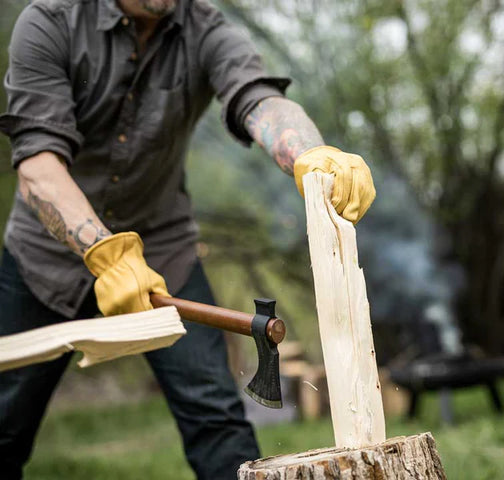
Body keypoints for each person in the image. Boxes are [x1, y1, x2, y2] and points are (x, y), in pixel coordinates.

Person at [0, 0, 376, 478]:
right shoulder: (49, 22)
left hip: (164, 255)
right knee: (3, 427)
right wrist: (105, 253)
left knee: (217, 424)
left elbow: (257, 98)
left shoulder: (208, 29)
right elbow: (36, 163)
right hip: (42, 260)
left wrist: (310, 153)